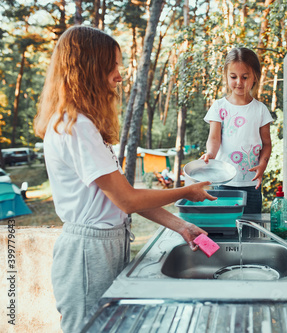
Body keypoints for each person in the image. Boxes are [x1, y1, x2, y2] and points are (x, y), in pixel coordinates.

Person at [33, 26, 216, 333]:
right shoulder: (75, 126)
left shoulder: (83, 123)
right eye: (112, 66)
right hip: (87, 253)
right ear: (89, 68)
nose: (119, 75)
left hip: (101, 246)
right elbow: (127, 199)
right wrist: (187, 191)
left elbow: (120, 196)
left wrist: (182, 226)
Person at [201, 47, 273, 214]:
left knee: (250, 229)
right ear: (226, 76)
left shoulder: (260, 110)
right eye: (233, 77)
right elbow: (214, 139)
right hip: (222, 182)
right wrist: (210, 154)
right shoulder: (219, 106)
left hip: (251, 184)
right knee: (224, 229)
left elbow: (267, 144)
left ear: (255, 77)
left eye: (245, 77)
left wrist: (262, 165)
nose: (239, 82)